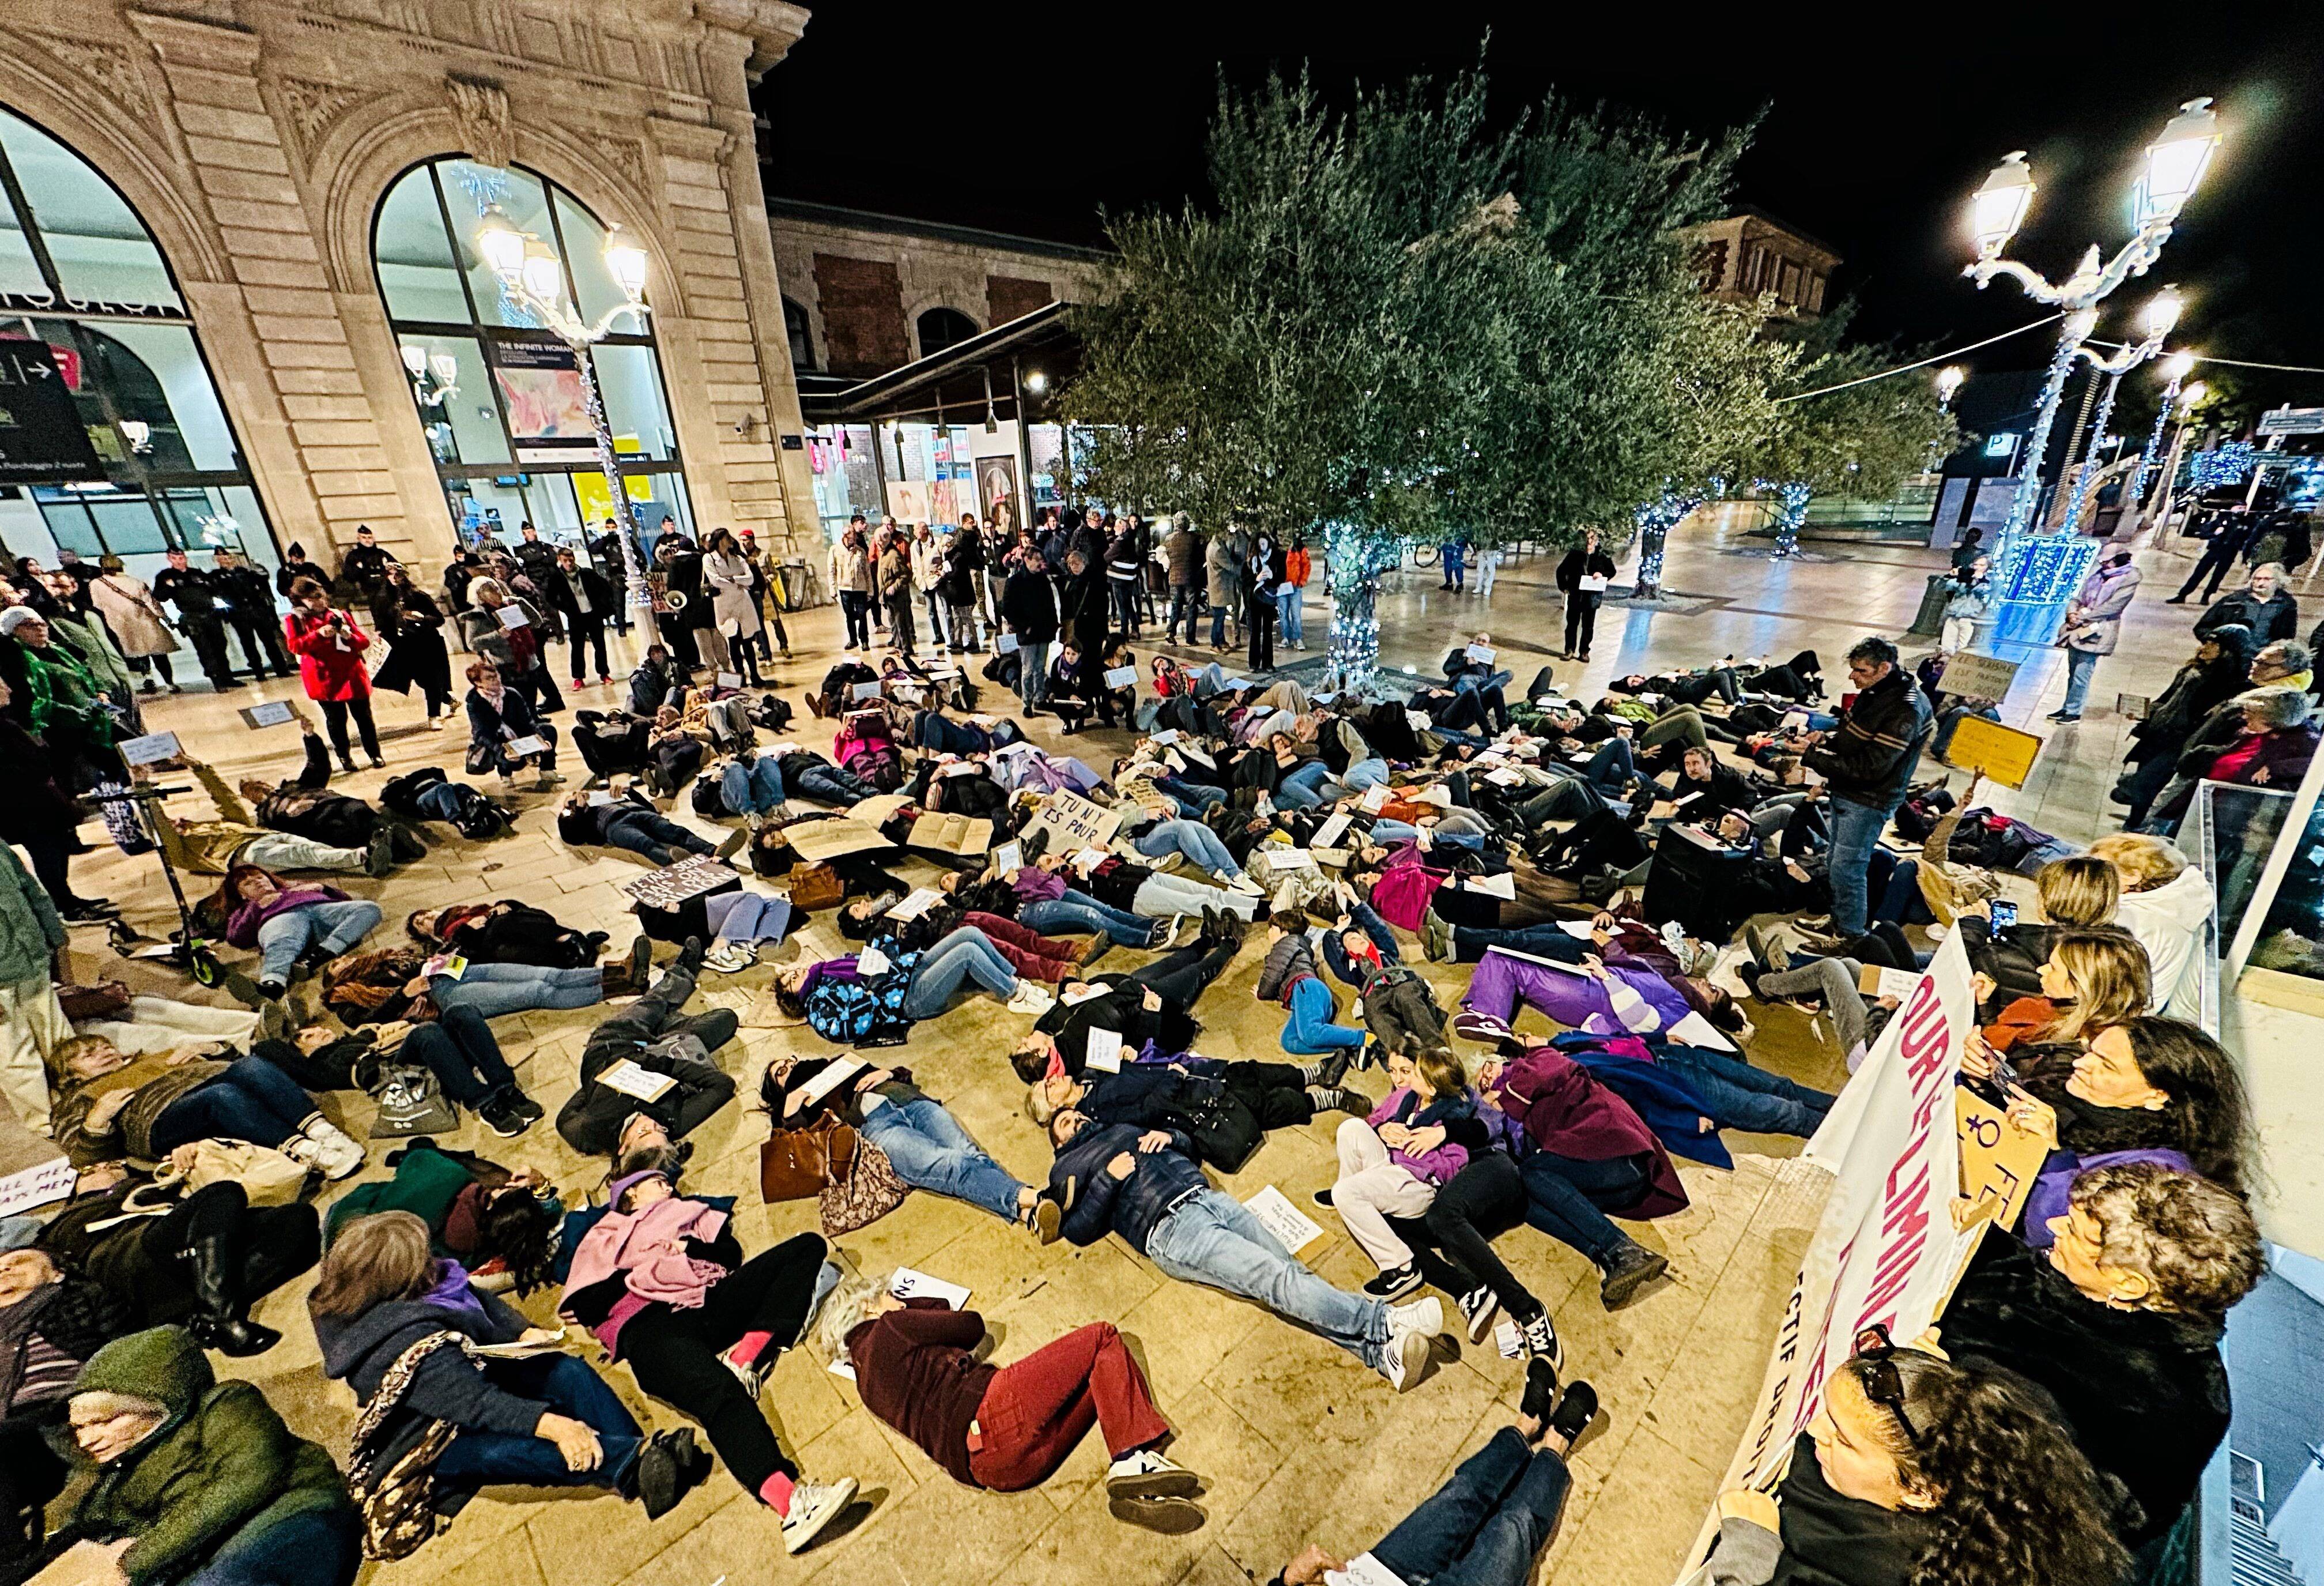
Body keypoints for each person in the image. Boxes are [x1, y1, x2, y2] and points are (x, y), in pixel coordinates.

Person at [1935, 1162, 2264, 1556]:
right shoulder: (2082, 1282)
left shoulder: (2179, 1405)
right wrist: (1970, 1235)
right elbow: (2019, 1275)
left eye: (2074, 1231)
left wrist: (1934, 1384)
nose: (2055, 1226)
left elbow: (2063, 1517)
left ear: (2128, 1284)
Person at [311, 1212, 710, 1525]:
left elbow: (472, 1296)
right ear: (398, 1287)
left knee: (568, 1372)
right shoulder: (408, 1348)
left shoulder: (425, 1282)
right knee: (505, 1450)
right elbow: (480, 1405)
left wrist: (522, 1330)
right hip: (432, 1434)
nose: (434, 1263)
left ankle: (641, 1461)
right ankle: (635, 1461)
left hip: (475, 1365)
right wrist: (555, 1425)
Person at [559, 1169, 861, 1553]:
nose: (669, 1187)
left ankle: (745, 1354)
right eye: (657, 1182)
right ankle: (791, 1505)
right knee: (717, 1391)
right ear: (630, 1194)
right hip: (648, 1328)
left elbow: (728, 1256)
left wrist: (685, 1249)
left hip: (705, 1299)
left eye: (669, 1182)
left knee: (807, 1247)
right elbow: (587, 1303)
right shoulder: (604, 1238)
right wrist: (649, 1261)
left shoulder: (689, 1214)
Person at [1047, 1108, 1454, 1389]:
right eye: (1064, 1122)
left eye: (1073, 1113)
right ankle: (1383, 1322)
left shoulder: (1120, 1126)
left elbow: (1189, 1146)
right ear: (1058, 1140)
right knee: (1278, 1279)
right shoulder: (1067, 1167)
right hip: (1171, 1227)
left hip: (1207, 1198)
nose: (1075, 1118)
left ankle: (1381, 1356)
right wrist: (1107, 1179)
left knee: (1290, 1276)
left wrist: (1168, 1135)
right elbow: (1078, 1229)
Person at [1691, 1333, 2130, 1586]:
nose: (1812, 1430)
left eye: (1842, 1439)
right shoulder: (2003, 1470)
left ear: (1919, 1491)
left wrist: (1752, 1554)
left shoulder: (1882, 1570)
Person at [823, 1276, 1204, 1529]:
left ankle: (1142, 1481)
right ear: (870, 1305)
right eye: (889, 1293)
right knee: (1103, 1338)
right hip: (993, 1411)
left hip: (998, 1471)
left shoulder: (865, 1387)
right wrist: (898, 1309)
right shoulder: (890, 1328)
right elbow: (970, 1325)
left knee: (1098, 1375)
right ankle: (1129, 1460)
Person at [40, 1325, 361, 1586]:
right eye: (80, 1428)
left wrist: (135, 1558)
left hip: (292, 1514)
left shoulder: (224, 1404)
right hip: (208, 1553)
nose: (88, 1439)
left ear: (155, 1404)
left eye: (106, 1421)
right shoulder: (114, 1473)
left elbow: (246, 1481)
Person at [1270, 1362, 1596, 1586]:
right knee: (1515, 1531)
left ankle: (1528, 1424)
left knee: (1461, 1494)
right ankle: (1556, 1444)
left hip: (1379, 1577)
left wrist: (1285, 1582)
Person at [37, 1163, 320, 1356]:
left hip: (184, 1260)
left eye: (114, 1165)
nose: (105, 1168)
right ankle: (220, 1315)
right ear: (76, 1188)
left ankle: (201, 1316)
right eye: (91, 1170)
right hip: (131, 1259)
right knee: (223, 1191)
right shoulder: (62, 1223)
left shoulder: (153, 1189)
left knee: (298, 1219)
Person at [763, 1057, 1062, 1239]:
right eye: (781, 1072)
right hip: (876, 1128)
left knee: (970, 1154)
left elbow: (900, 1074)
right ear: (778, 1088)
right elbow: (796, 1151)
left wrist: (888, 1074)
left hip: (909, 1101)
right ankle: (1036, 1196)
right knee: (951, 1163)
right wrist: (791, 1110)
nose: (790, 1066)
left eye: (789, 1061)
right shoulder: (792, 1107)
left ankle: (1029, 1215)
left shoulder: (836, 1064)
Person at [47, 1031, 367, 1181]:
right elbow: (82, 1158)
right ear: (69, 1074)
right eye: (90, 1054)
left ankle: (325, 1134)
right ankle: (312, 1154)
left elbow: (236, 1063)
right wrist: (96, 1120)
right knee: (222, 1096)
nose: (104, 1052)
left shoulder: (149, 1059)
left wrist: (212, 1048)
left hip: (208, 1086)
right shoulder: (77, 1099)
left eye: (106, 1045)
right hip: (159, 1120)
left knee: (253, 1065)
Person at [0, 1248, 124, 1583]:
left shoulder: (82, 1299)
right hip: (13, 1445)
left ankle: (10, 1560)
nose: (6, 1270)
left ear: (57, 1274)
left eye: (19, 1262)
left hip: (67, 1413)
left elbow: (123, 1349)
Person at [1802, 636, 1934, 939]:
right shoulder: (1877, 692)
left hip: (1867, 800)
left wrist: (1813, 758)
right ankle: (1839, 919)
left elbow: (1870, 768)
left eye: (1860, 671)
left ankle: (1850, 936)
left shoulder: (1905, 709)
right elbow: (1854, 737)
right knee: (1836, 863)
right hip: (1848, 793)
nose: (1852, 677)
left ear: (1884, 668)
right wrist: (1826, 741)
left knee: (1848, 869)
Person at [555, 940, 738, 1157]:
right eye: (659, 1131)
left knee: (655, 1002)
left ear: (623, 1148)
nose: (651, 1124)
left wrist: (599, 1082)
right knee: (726, 1019)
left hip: (618, 1040)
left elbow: (564, 1121)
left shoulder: (592, 1133)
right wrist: (662, 1065)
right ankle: (667, 1018)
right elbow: (722, 1085)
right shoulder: (673, 1123)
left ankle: (684, 969)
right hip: (667, 1050)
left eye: (643, 1133)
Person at [1328, 1046, 1476, 1299]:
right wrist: (1385, 1129)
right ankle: (1355, 1200)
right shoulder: (1411, 1098)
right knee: (1350, 1128)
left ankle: (1400, 1266)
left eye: (1415, 1073)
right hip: (1391, 1164)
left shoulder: (1452, 1120)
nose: (1405, 1078)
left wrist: (1419, 1147)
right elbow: (1376, 1119)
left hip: (1416, 1184)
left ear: (1432, 1088)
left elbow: (1454, 1168)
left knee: (1343, 1193)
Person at [2087, 832, 2213, 1019]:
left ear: (2132, 876)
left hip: (2114, 1014)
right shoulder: (2171, 906)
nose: (2090, 874)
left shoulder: (2130, 918)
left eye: (2099, 868)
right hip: (2137, 1008)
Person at [220, 862, 384, 1001]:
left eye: (259, 877)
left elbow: (345, 900)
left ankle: (318, 956)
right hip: (284, 919)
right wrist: (257, 907)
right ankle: (272, 986)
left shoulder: (295, 887)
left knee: (369, 909)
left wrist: (323, 888)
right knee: (282, 939)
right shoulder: (247, 909)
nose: (257, 882)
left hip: (320, 910)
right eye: (247, 883)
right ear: (242, 895)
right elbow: (236, 938)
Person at [0, 840, 67, 1133]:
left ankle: (78, 1097)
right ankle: (45, 1120)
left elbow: (30, 889)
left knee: (58, 1037)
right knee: (15, 1053)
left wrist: (53, 935)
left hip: (29, 957)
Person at [282, 578, 383, 771]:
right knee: (336, 721)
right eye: (313, 599)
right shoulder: (294, 619)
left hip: (352, 675)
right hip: (325, 679)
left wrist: (348, 636)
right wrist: (318, 635)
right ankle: (344, 757)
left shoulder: (339, 615)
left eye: (321, 596)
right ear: (301, 600)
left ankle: (375, 753)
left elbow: (363, 642)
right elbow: (295, 646)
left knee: (365, 718)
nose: (320, 601)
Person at [2050, 548, 2141, 724]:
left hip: (2098, 632)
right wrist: (2072, 613)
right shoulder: (2098, 575)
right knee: (2073, 672)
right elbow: (2078, 597)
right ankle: (2068, 707)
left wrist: (2083, 617)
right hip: (2077, 631)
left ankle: (2074, 711)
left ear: (2119, 560)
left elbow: (2113, 607)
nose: (2104, 564)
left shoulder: (2128, 580)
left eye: (2108, 561)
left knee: (2082, 674)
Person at [458, 577, 563, 718]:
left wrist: (521, 608)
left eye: (496, 587)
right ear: (480, 595)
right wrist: (498, 635)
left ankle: (534, 718)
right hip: (505, 664)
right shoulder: (477, 616)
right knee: (516, 698)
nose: (496, 591)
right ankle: (526, 722)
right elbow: (473, 643)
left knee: (531, 693)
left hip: (528, 658)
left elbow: (537, 621)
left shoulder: (513, 603)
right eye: (490, 589)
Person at [367, 562, 454, 728]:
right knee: (419, 680)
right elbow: (380, 623)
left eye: (397, 574)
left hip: (426, 644)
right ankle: (448, 699)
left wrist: (422, 618)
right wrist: (379, 636)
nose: (394, 577)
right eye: (390, 574)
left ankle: (434, 716)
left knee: (431, 680)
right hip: (402, 647)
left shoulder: (418, 596)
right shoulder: (381, 599)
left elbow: (439, 619)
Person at [149, 546, 240, 691]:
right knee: (205, 649)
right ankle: (216, 679)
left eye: (181, 558)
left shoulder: (196, 573)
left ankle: (227, 677)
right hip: (192, 618)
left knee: (220, 646)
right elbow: (160, 597)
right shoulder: (166, 576)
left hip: (210, 615)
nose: (179, 561)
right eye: (175, 559)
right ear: (169, 559)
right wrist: (169, 587)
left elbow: (213, 590)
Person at [463, 660, 563, 789]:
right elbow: (481, 734)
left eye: (496, 676)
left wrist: (541, 738)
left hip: (518, 734)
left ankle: (547, 770)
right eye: (489, 678)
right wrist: (502, 752)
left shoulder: (511, 694)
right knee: (510, 758)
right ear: (478, 683)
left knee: (549, 731)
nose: (496, 680)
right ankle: (505, 774)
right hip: (497, 741)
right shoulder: (475, 702)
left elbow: (528, 721)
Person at [87, 556, 181, 694]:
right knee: (159, 655)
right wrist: (166, 619)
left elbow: (98, 605)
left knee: (138, 654)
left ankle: (147, 678)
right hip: (146, 622)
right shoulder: (135, 582)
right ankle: (169, 683)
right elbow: (151, 603)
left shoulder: (96, 584)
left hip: (120, 625)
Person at [554, 789, 720, 866]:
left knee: (676, 831)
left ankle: (713, 851)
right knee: (644, 843)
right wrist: (577, 809)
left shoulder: (599, 795)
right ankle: (678, 866)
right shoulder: (570, 813)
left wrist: (630, 792)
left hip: (638, 811)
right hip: (614, 825)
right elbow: (571, 837)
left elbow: (650, 808)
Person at [213, 549, 293, 679]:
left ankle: (281, 669)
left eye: (227, 556)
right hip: (239, 614)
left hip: (257, 610)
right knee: (249, 644)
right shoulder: (216, 576)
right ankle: (259, 672)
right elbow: (218, 594)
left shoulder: (244, 572)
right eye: (221, 557)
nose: (225, 559)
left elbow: (261, 583)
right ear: (217, 559)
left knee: (269, 641)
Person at [1001, 544, 1061, 713]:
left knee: (1040, 667)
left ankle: (1039, 698)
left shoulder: (1043, 580)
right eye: (1037, 560)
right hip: (1027, 634)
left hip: (1044, 632)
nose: (1040, 563)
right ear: (1026, 560)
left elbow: (1050, 606)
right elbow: (1007, 609)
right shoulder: (1015, 582)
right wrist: (1023, 627)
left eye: (1041, 560)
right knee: (1028, 670)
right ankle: (1027, 702)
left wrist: (1054, 626)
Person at [550, 547, 616, 688]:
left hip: (593, 614)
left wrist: (602, 605)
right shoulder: (557, 577)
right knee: (577, 648)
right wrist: (565, 608)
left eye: (571, 559)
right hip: (575, 617)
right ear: (560, 560)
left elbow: (603, 587)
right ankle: (578, 677)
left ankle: (604, 673)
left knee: (600, 645)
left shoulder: (586, 573)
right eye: (565, 560)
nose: (569, 563)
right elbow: (550, 597)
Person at [2192, 560, 2299, 646]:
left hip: (2261, 660)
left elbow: (2287, 638)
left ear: (2278, 581)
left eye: (2267, 579)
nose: (2260, 583)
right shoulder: (2232, 601)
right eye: (2257, 579)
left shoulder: (2287, 606)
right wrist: (2217, 643)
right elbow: (2203, 628)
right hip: (2229, 659)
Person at [1555, 529, 1617, 661]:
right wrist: (1565, 587)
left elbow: (1612, 571)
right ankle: (1569, 649)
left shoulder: (1602, 555)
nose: (1589, 542)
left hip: (1592, 596)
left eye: (1592, 539)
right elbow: (1561, 570)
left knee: (1588, 625)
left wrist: (1602, 575)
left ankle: (1584, 651)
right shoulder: (1575, 554)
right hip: (1576, 594)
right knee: (1572, 623)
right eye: (1587, 539)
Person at [831, 517, 873, 650]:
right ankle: (853, 639)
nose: (853, 540)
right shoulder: (835, 550)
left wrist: (870, 590)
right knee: (849, 615)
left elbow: (867, 572)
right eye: (851, 537)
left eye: (854, 537)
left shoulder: (860, 551)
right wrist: (833, 589)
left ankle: (864, 640)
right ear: (844, 537)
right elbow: (831, 571)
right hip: (845, 588)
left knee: (862, 614)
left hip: (860, 588)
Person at [1938, 557, 1989, 653]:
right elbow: (1942, 586)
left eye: (1982, 565)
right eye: (1976, 565)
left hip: (1970, 619)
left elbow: (1986, 593)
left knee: (1962, 649)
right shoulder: (1965, 578)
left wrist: (1979, 580)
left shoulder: (1988, 582)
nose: (1978, 567)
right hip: (1953, 616)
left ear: (1988, 567)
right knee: (1946, 649)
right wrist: (1950, 576)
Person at [1244, 533, 1280, 672]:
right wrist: (1257, 579)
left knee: (1267, 632)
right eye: (1260, 545)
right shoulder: (1251, 561)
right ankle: (1253, 663)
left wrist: (1272, 577)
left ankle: (1268, 663)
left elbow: (1280, 577)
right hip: (1255, 601)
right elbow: (1246, 581)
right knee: (1255, 632)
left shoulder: (1275, 558)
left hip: (1269, 601)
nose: (1262, 547)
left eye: (1264, 544)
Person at [1280, 533, 1311, 650]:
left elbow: (1306, 566)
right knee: (1283, 615)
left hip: (1295, 587)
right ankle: (1286, 637)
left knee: (1296, 614)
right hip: (1282, 587)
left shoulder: (1301, 550)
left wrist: (1302, 581)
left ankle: (1298, 638)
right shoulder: (1280, 552)